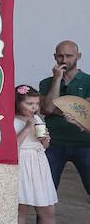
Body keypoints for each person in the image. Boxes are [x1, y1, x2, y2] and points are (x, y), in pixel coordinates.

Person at [14, 85, 67, 224]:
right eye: (29, 103)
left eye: (36, 103)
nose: (34, 107)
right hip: (22, 163)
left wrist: (45, 141)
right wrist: (27, 127)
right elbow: (13, 146)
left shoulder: (38, 118)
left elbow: (44, 146)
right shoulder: (10, 120)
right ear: (18, 103)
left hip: (38, 162)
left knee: (48, 209)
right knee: (21, 210)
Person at [40, 41, 90, 203]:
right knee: (45, 192)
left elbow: (86, 113)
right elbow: (46, 108)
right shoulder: (46, 82)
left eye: (69, 56)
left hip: (85, 143)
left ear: (79, 56)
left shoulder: (88, 81)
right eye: (60, 55)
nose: (64, 60)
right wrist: (57, 79)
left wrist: (57, 109)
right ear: (55, 57)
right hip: (54, 143)